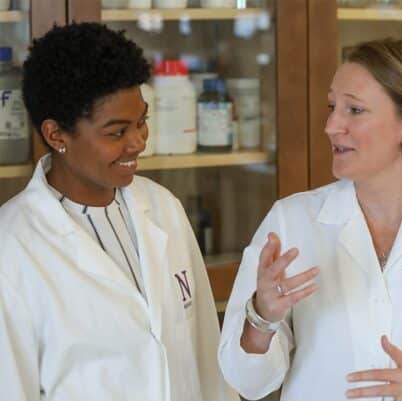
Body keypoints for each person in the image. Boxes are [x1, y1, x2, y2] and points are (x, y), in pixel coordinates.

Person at [218, 38, 402, 401]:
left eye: (355, 110)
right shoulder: (292, 221)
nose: (332, 125)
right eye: (333, 106)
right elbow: (248, 383)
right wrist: (262, 316)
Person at [0, 22, 236, 401]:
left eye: (142, 122)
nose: (138, 142)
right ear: (56, 134)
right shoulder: (11, 249)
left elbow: (209, 361)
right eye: (116, 132)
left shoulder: (164, 210)